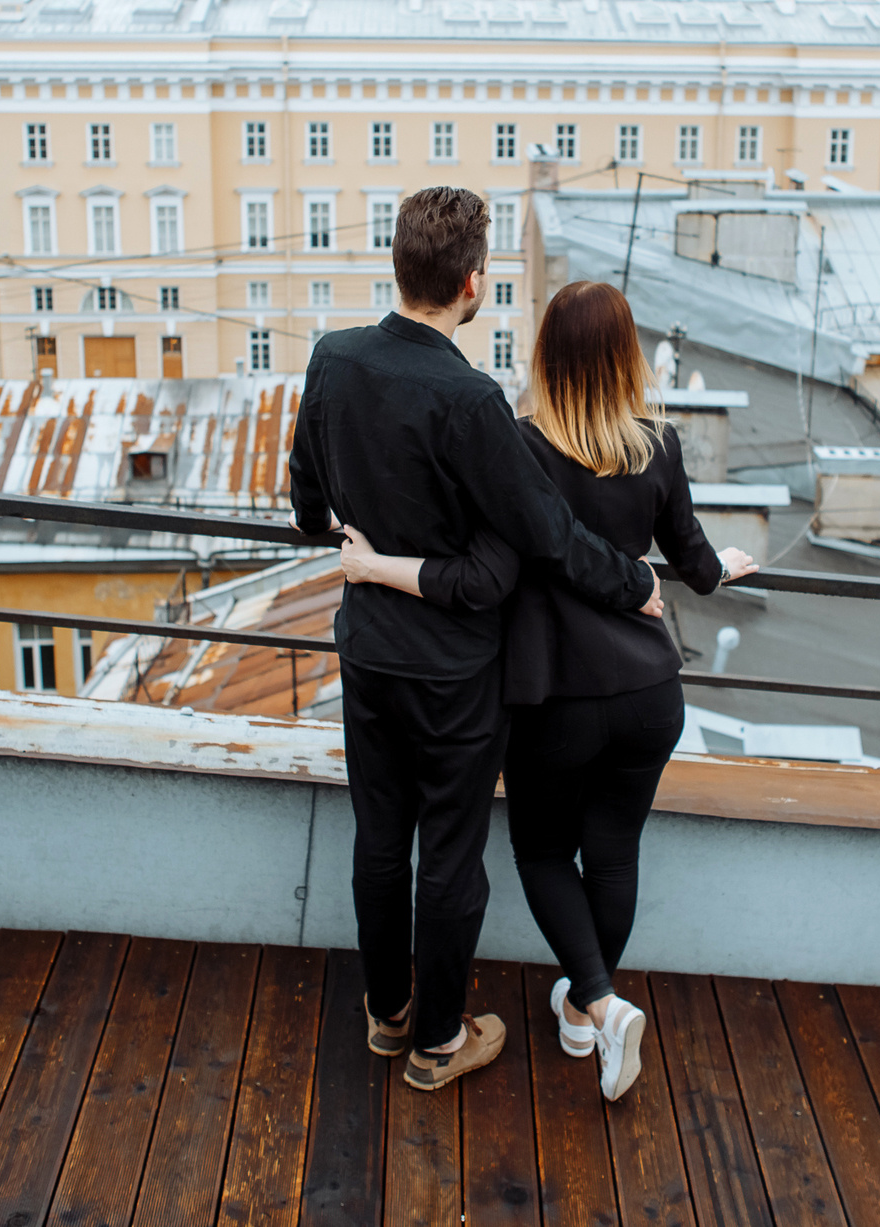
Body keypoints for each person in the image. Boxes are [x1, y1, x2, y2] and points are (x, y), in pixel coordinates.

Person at [337, 279, 754, 1102]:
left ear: (545, 354)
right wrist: (725, 566)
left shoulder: (521, 444)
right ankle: (581, 1014)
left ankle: (598, 1002)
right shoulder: (657, 444)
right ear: (627, 354)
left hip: (552, 693)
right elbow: (696, 563)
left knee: (539, 849)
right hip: (648, 690)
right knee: (615, 852)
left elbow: (495, 560)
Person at [288, 189, 664, 1093]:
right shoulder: (471, 398)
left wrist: (359, 543)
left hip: (369, 649)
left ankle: (387, 1016)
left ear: (397, 266)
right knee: (450, 854)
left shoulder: (332, 358)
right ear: (470, 281)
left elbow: (307, 506)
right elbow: (547, 536)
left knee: (379, 838)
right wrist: (638, 581)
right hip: (455, 671)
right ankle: (441, 1042)